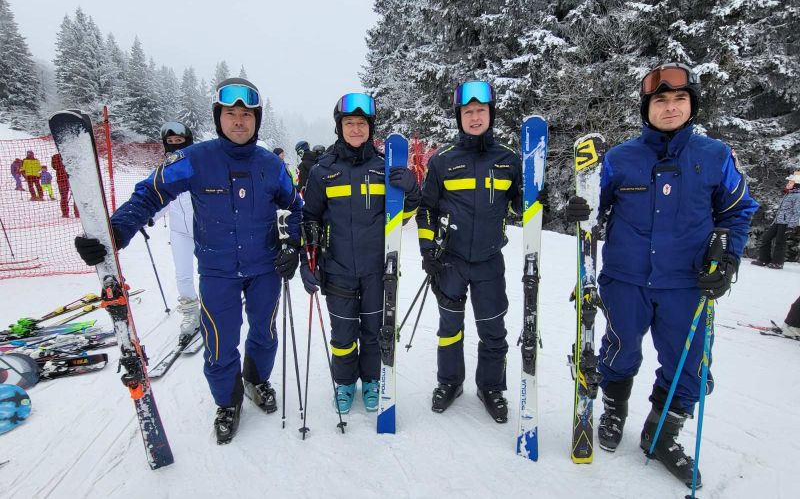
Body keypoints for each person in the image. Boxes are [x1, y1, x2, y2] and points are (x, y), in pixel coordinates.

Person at [73, 77, 303, 445]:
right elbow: (150, 194)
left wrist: (291, 244)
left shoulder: (271, 165)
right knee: (219, 340)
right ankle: (227, 401)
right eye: (231, 113)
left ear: (257, 120)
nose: (239, 121)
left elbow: (295, 207)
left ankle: (257, 380)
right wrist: (115, 230)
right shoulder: (194, 159)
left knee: (265, 332)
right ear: (218, 117)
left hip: (265, 268)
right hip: (217, 270)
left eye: (247, 114)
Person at [565, 62, 758, 488]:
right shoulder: (620, 158)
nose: (670, 107)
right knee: (619, 351)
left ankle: (662, 432)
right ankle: (614, 410)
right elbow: (593, 210)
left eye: (679, 99)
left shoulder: (715, 156)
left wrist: (727, 259)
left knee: (689, 363)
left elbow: (738, 211)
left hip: (687, 283)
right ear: (646, 108)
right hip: (626, 278)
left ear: (692, 105)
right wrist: (578, 209)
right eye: (661, 100)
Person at [300, 93, 420, 413]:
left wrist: (411, 191)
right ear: (339, 128)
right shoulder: (323, 171)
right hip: (337, 267)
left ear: (371, 127)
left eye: (362, 123)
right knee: (342, 333)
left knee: (373, 331)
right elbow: (310, 218)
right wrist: (307, 260)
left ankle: (370, 379)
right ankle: (343, 383)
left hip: (377, 269)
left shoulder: (384, 168)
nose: (356, 129)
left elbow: (402, 216)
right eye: (349, 123)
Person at [415, 80, 522, 423]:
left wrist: (538, 199)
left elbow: (520, 208)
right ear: (459, 117)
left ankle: (491, 387)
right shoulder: (444, 161)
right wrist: (428, 250)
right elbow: (426, 210)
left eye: (481, 111)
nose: (475, 117)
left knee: (493, 329)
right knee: (450, 327)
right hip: (451, 261)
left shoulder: (508, 160)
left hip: (489, 261)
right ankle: (450, 382)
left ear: (491, 114)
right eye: (468, 112)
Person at [155, 121, 200, 339]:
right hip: (179, 231)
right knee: (183, 274)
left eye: (179, 141)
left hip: (202, 228)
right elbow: (160, 198)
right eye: (170, 142)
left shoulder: (199, 166)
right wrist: (148, 218)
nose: (174, 145)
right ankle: (191, 312)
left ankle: (216, 304)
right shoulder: (164, 171)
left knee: (210, 270)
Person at [751, 171, 800, 269]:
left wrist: (791, 226)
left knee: (780, 242)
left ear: (796, 184)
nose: (788, 184)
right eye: (789, 182)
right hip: (778, 221)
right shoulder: (788, 194)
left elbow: (797, 212)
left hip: (786, 223)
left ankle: (778, 263)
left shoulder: (797, 196)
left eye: (791, 182)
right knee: (766, 238)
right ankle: (764, 259)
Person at [51, 153, 78, 218]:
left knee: (72, 197)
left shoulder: (57, 156)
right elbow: (55, 167)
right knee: (66, 197)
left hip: (68, 179)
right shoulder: (58, 156)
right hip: (66, 179)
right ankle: (69, 213)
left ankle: (72, 213)